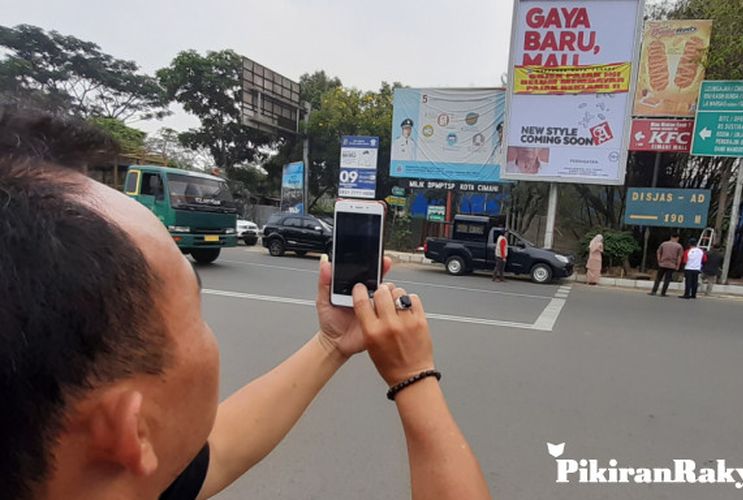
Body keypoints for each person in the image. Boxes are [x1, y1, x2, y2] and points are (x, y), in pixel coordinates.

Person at [0, 107, 491, 500]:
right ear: (132, 433)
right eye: (197, 308)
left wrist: (333, 344)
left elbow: (223, 447)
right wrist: (416, 376)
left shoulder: (96, 474)